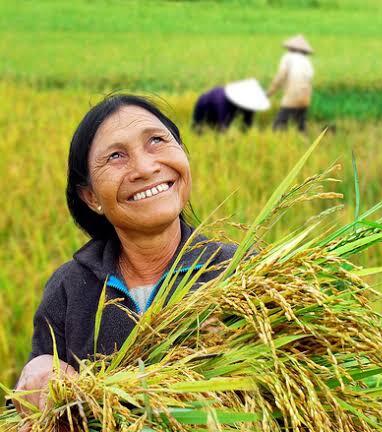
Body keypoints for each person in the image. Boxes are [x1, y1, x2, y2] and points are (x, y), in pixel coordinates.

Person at [11, 95, 237, 424]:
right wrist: (37, 372)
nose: (145, 168)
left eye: (157, 141)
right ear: (90, 197)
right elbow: (29, 413)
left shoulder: (240, 271)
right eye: (116, 156)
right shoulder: (68, 289)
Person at [267, 34, 314, 132]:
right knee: (300, 125)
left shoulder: (288, 58)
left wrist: (269, 93)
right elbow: (309, 81)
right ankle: (305, 142)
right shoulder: (307, 61)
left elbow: (280, 77)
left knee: (278, 126)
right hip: (305, 98)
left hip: (292, 97)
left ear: (290, 48)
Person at [193, 79, 270, 132]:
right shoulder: (223, 102)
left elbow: (247, 123)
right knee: (199, 129)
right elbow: (223, 126)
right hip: (204, 106)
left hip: (225, 107)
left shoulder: (249, 104)